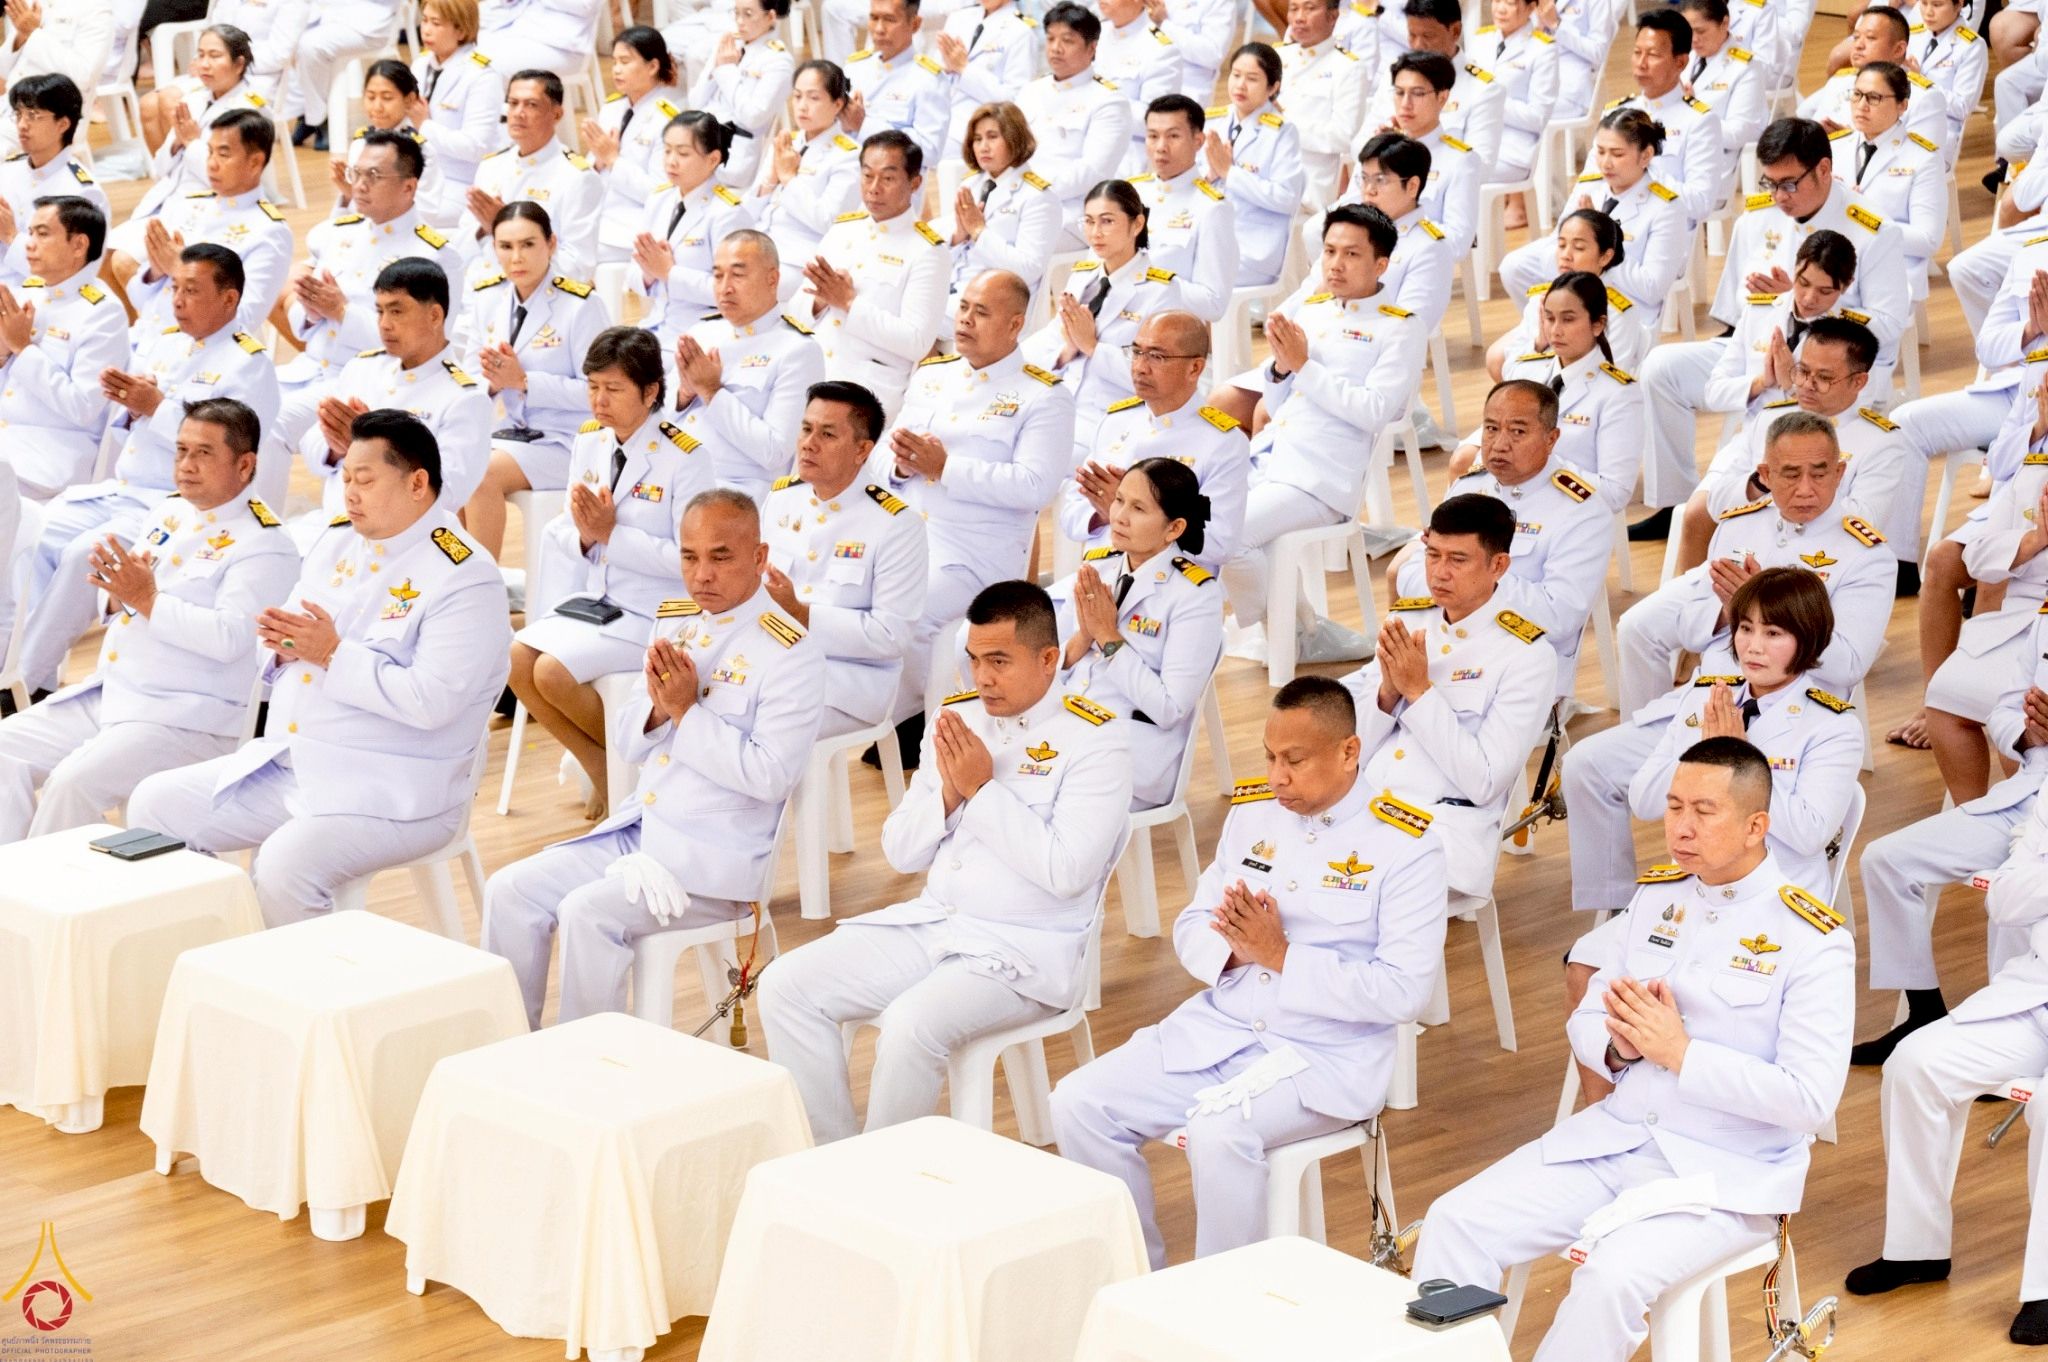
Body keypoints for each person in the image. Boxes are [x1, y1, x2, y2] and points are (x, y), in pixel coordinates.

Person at [1412, 737, 1854, 1362]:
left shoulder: (1811, 938)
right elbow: (1588, 1013)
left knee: (1609, 1278)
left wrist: (1681, 1054)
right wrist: (1617, 1049)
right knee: (1454, 1222)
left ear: (1757, 826)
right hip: (1615, 1140)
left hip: (1723, 1175)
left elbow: (1809, 1099)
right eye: (1674, 807)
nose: (1681, 827)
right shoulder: (1656, 897)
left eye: (1705, 811)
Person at [1051, 677, 1445, 1267]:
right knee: (1079, 1102)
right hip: (1223, 1028)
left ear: (1348, 752)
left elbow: (1404, 992)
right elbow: (1191, 925)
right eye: (1269, 756)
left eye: (1294, 759)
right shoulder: (1254, 814)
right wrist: (1239, 950)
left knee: (1218, 1134)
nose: (1278, 775)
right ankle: (1137, 1280)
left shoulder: (1407, 845)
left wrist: (1281, 955)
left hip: (1323, 1057)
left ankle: (1224, 1312)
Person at [757, 579, 1132, 1142]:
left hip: (1022, 951)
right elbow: (900, 851)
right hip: (935, 924)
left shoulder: (1097, 741)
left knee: (909, 1026)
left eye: (1000, 661)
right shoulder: (957, 721)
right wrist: (950, 797)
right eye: (976, 660)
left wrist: (981, 793)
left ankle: (880, 1183)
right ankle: (831, 1157)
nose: (982, 678)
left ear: (1049, 658)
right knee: (786, 984)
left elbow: (1066, 872)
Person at [127, 410, 510, 929]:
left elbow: (432, 700)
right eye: (346, 479)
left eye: (366, 480)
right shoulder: (336, 540)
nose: (349, 494)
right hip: (297, 762)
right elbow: (278, 645)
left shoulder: (465, 577)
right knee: (155, 806)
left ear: (418, 483)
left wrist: (331, 653)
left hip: (392, 787)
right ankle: (217, 948)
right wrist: (283, 645)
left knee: (285, 864)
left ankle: (306, 997)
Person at [484, 487, 822, 1025]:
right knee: (509, 891)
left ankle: (588, 1070)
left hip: (710, 861)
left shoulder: (790, 652)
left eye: (721, 556)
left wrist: (687, 713)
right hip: (642, 832)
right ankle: (510, 1045)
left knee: (585, 913)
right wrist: (661, 714)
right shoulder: (675, 621)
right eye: (689, 557)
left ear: (759, 557)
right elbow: (626, 739)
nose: (702, 574)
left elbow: (770, 776)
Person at [0, 400, 297, 842]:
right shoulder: (170, 512)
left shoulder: (267, 544)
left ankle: (60, 899)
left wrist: (145, 598)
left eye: (203, 453)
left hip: (184, 715)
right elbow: (122, 599)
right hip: (116, 692)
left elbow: (231, 638)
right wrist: (123, 594)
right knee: (4, 751)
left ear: (245, 463)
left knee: (71, 785)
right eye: (180, 451)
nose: (186, 465)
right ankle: (14, 887)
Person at [1562, 568, 1864, 964]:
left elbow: (1808, 834)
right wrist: (1702, 752)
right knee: (1583, 965)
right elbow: (1645, 801)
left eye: (1773, 634)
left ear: (1807, 639)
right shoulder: (1708, 695)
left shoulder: (1834, 726)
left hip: (1773, 898)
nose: (1753, 646)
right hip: (1692, 890)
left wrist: (1737, 756)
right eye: (1745, 628)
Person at [16, 244, 278, 698]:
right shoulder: (162, 341)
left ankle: (16, 684)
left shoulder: (249, 363)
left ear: (230, 299)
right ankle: (31, 677)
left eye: (192, 290)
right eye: (174, 287)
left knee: (86, 554)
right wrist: (133, 403)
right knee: (34, 537)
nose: (176, 300)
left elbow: (229, 447)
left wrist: (155, 406)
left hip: (178, 504)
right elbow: (119, 417)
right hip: (121, 489)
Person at [1637, 117, 1908, 536]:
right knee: (1662, 367)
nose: (1779, 196)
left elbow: (1889, 325)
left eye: (1789, 183)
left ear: (1823, 169)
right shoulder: (1755, 221)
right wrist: (1759, 366)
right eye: (1770, 183)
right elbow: (1732, 316)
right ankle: (1678, 500)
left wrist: (1811, 304)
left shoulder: (1874, 230)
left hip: (1832, 369)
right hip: (1763, 345)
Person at [1847, 791, 2048, 1347]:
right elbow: (2004, 902)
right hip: (2035, 994)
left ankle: (2046, 1288)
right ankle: (1917, 1249)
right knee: (1915, 1062)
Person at [512, 328, 713, 810]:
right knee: (515, 661)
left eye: (614, 389)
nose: (599, 401)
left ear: (650, 392)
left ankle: (623, 764)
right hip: (597, 603)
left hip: (656, 611)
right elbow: (564, 527)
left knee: (553, 673)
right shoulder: (591, 443)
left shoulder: (686, 456)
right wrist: (586, 534)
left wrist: (610, 535)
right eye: (593, 387)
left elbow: (689, 559)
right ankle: (602, 766)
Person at [878, 268, 1076, 742]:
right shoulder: (932, 375)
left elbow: (1034, 486)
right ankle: (890, 713)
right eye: (963, 307)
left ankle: (913, 724)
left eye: (981, 312)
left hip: (977, 551)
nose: (964, 320)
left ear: (1015, 324)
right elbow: (887, 456)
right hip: (909, 531)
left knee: (910, 607)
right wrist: (902, 467)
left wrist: (945, 468)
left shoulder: (1044, 396)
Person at [1337, 493, 1559, 898]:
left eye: (1457, 560)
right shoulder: (1408, 618)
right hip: (1361, 810)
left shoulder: (1527, 656)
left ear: (1498, 565)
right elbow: (1355, 751)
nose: (1438, 573)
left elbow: (1485, 782)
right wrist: (1387, 693)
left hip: (1439, 829)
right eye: (1432, 555)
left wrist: (1419, 693)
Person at [1219, 205, 1422, 647]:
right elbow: (1279, 401)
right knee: (1194, 515)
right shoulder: (1312, 309)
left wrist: (1303, 366)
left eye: (1351, 254)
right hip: (1273, 458)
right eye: (1329, 250)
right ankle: (1294, 623)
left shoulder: (1399, 328)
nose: (1335, 263)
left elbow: (1374, 411)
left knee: (1227, 537)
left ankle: (1283, 630)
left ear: (1381, 264)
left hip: (1322, 478)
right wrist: (1278, 370)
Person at [1853, 610, 2048, 1066]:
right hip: (2025, 796)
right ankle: (1923, 1012)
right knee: (1886, 859)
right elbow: (2002, 708)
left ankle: (2013, 1046)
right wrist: (2026, 731)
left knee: (2015, 900)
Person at [1616, 411, 1894, 719]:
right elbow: (1696, 630)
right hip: (1711, 695)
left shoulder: (1865, 555)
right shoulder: (1740, 523)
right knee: (1585, 761)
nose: (1805, 489)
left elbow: (1849, 665)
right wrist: (1727, 612)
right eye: (1790, 475)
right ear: (1766, 474)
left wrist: (1763, 605)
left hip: (1787, 710)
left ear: (1840, 473)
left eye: (1819, 474)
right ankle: (1647, 731)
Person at [1051, 459, 1224, 809]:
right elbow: (1053, 669)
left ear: (1174, 528)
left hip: (1132, 749)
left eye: (1138, 508)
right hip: (1068, 728)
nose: (1119, 516)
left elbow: (1170, 708)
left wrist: (1109, 638)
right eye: (1119, 501)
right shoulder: (1099, 566)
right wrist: (1084, 637)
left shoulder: (1195, 595)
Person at [1421, 380, 1614, 692]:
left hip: (1516, 668)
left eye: (1518, 432)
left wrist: (1478, 573)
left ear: (1551, 439)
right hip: (1446, 647)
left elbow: (1559, 618)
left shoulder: (1583, 512)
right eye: (1491, 428)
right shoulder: (1468, 486)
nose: (1499, 445)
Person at [761, 381, 929, 738]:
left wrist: (800, 612)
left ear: (862, 450)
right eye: (806, 429)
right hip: (776, 661)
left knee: (765, 720)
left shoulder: (896, 524)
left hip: (850, 682)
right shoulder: (781, 500)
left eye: (827, 434)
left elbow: (891, 636)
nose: (809, 443)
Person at [286, 258, 494, 533]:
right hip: (333, 529)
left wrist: (371, 449)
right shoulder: (363, 367)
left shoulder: (465, 398)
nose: (384, 324)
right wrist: (336, 449)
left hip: (405, 542)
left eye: (397, 311)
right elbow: (313, 449)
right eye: (380, 311)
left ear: (435, 315)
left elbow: (447, 493)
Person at [459, 202, 614, 560]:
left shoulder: (581, 305)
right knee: (448, 465)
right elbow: (468, 379)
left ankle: (481, 590)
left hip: (570, 441)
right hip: (513, 434)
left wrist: (525, 381)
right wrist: (494, 383)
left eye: (528, 245)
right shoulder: (487, 298)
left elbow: (602, 392)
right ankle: (454, 584)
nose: (517, 257)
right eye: (506, 246)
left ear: (552, 244)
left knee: (479, 475)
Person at [1059, 310, 1247, 570]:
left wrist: (1126, 508)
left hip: (1167, 586)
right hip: (1099, 574)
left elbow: (1218, 544)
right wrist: (1104, 513)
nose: (1140, 368)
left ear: (1195, 368)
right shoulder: (1116, 421)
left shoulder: (1221, 442)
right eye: (1136, 353)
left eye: (1157, 357)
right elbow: (1070, 513)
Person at [1022, 179, 1186, 454]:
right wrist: (1065, 352)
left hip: (1110, 417)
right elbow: (1049, 339)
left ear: (1137, 224)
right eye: (1088, 221)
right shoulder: (1084, 276)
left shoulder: (1161, 291)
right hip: (1059, 400)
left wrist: (1092, 348)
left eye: (1107, 221)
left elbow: (1159, 376)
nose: (1095, 233)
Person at [281, 131, 453, 391]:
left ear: (409, 187)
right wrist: (312, 313)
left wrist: (342, 312)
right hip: (308, 370)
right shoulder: (340, 233)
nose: (359, 185)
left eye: (373, 176)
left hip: (371, 383)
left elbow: (425, 348)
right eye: (356, 174)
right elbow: (299, 326)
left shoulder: (433, 255)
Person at [106, 110, 292, 342]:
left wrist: (181, 271)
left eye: (223, 155)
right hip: (150, 340)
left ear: (255, 162)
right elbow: (140, 299)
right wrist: (155, 271)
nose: (211, 164)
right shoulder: (189, 205)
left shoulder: (268, 231)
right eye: (209, 152)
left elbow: (244, 321)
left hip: (203, 355)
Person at [669, 230, 826, 500]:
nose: (725, 287)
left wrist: (712, 392)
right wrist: (684, 395)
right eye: (718, 276)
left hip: (736, 496)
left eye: (738, 275)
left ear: (772, 279)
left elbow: (775, 452)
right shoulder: (701, 333)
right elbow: (656, 421)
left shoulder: (798, 350)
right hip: (675, 481)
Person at [1498, 108, 1688, 331]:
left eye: (1617, 154)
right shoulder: (1592, 185)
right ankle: (1548, 329)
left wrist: (1600, 246)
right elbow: (1558, 239)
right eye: (1600, 152)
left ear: (1645, 155)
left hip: (1622, 308)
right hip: (1575, 292)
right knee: (1514, 267)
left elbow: (1652, 287)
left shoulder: (1666, 207)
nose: (1606, 163)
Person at [804, 130, 949, 418]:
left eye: (888, 178)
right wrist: (821, 301)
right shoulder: (843, 229)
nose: (874, 188)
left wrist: (848, 303)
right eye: (867, 176)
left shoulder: (928, 251)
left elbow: (917, 342)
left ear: (915, 183)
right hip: (814, 369)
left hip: (868, 391)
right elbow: (797, 310)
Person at [0, 198, 129, 502]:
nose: (29, 244)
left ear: (78, 244)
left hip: (53, 454)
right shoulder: (28, 292)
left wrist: (22, 348)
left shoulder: (103, 312)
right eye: (29, 233)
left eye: (42, 234)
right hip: (9, 440)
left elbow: (82, 407)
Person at [1485, 271, 1646, 515]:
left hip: (1567, 513)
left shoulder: (1618, 394)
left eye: (1568, 319)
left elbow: (1615, 493)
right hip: (1504, 505)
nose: (1556, 331)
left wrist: (1537, 466)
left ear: (1598, 324)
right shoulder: (1527, 370)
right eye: (1549, 318)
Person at [459, 70, 603, 282]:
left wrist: (505, 228)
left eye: (531, 105)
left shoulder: (576, 177)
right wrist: (483, 229)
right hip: (477, 290)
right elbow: (460, 249)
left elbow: (578, 269)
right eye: (513, 103)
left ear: (557, 114)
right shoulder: (491, 166)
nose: (518, 113)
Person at [1015, 4, 1140, 244]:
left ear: (1092, 48)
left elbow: (1092, 172)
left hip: (1073, 212)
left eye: (1067, 41)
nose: (1055, 48)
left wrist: (1034, 191)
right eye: (1050, 39)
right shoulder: (1031, 91)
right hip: (1020, 199)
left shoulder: (1109, 101)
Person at [1828, 62, 1945, 304]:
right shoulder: (1836, 146)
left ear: (1902, 105)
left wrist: (1863, 219)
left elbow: (1928, 241)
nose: (1861, 106)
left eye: (1874, 98)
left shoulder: (1923, 158)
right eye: (1857, 95)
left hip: (1890, 268)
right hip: (1830, 261)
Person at [1488, 209, 1651, 379]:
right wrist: (1539, 344)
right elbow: (1511, 369)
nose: (1565, 255)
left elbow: (1608, 382)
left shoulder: (1617, 313)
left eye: (1579, 247)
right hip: (1540, 395)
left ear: (1605, 257)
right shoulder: (1541, 299)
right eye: (1561, 245)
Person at [633, 111, 750, 346]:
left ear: (713, 159)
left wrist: (668, 272)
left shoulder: (728, 214)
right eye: (667, 150)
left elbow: (734, 290)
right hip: (656, 324)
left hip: (704, 332)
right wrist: (648, 273)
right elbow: (633, 272)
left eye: (683, 153)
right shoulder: (659, 199)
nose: (671, 161)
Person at [1129, 96, 1239, 323]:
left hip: (1161, 331)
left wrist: (1146, 276)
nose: (1161, 147)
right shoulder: (1130, 193)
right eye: (1152, 136)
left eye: (1173, 136)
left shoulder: (1212, 208)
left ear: (1198, 141)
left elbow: (1213, 302)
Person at [943, 102, 1063, 308]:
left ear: (1014, 138)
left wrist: (979, 231)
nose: (983, 147)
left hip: (994, 302)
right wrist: (957, 238)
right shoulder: (970, 184)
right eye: (977, 139)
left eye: (992, 137)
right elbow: (952, 256)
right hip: (953, 288)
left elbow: (1027, 270)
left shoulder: (1038, 197)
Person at [1203, 43, 1303, 290]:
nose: (1240, 85)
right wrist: (1210, 175)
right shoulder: (1213, 120)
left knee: (1186, 273)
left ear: (1273, 87)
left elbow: (1287, 197)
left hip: (1253, 244)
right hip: (1210, 233)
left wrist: (1229, 173)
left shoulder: (1283, 132)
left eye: (1252, 79)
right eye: (1235, 75)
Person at [750, 59, 863, 271]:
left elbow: (829, 222)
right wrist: (770, 181)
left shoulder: (849, 156)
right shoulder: (786, 142)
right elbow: (748, 211)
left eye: (813, 98)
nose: (802, 106)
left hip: (799, 260)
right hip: (758, 247)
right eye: (797, 96)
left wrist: (788, 179)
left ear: (837, 104)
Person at [585, 31, 684, 266]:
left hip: (634, 226)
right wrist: (598, 162)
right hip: (600, 214)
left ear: (652, 66)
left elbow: (660, 192)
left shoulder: (670, 120)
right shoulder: (612, 109)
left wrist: (612, 160)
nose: (617, 69)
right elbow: (588, 172)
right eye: (614, 62)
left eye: (625, 62)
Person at [407, 0, 507, 230]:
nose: (426, 29)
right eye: (424, 20)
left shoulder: (482, 75)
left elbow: (475, 147)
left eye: (436, 23)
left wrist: (425, 126)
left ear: (460, 30)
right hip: (419, 174)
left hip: (461, 182)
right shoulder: (421, 64)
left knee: (403, 214)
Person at [0, 76, 109, 288]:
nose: (22, 125)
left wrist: (11, 236)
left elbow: (69, 273)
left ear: (63, 124)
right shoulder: (7, 170)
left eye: (33, 115)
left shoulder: (82, 192)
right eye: (19, 114)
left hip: (36, 297)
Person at [1799, 7, 1951, 154]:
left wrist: (1852, 140)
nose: (1858, 45)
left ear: (1898, 49)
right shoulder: (1839, 82)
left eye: (1870, 38)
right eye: (1856, 37)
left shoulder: (1923, 97)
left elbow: (1924, 161)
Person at [688, 0, 795, 190]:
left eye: (748, 14)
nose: (739, 21)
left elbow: (753, 116)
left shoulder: (778, 61)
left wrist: (727, 70)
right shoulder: (730, 44)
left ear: (770, 16)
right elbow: (696, 102)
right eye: (736, 13)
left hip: (734, 152)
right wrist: (717, 67)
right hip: (701, 136)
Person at [930, 0, 1041, 180]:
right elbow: (935, 73)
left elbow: (1014, 101)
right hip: (939, 119)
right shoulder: (959, 18)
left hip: (976, 132)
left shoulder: (1021, 31)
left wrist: (965, 69)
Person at [1274, 0, 1367, 206]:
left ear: (1333, 17)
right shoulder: (1277, 56)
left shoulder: (1348, 68)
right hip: (1264, 171)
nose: (1299, 17)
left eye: (1310, 8)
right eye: (1294, 9)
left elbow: (1344, 136)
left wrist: (1284, 124)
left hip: (1308, 184)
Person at [843, 0, 949, 172]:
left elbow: (930, 152)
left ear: (914, 24)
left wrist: (865, 125)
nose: (879, 29)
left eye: (889, 19)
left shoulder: (928, 80)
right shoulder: (854, 68)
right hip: (846, 177)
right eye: (873, 18)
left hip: (895, 189)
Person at [0, 0, 114, 159]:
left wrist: (33, 34)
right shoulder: (33, 3)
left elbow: (83, 76)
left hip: (50, 116)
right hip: (9, 107)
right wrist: (21, 36)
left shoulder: (95, 9)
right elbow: (3, 70)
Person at [1477, 0, 1559, 208]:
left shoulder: (1542, 50)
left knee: (1456, 171)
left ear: (1531, 7)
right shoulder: (1482, 39)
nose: (1500, 9)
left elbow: (1538, 117)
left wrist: (1493, 102)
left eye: (1510, 3)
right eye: (1496, 1)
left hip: (1513, 149)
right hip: (1477, 139)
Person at [291, 0, 402, 150]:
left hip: (366, 20)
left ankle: (319, 118)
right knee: (286, 38)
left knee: (309, 47)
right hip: (323, 13)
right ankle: (309, 111)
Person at [476, 0, 601, 82]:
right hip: (515, 28)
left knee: (484, 71)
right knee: (466, 58)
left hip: (561, 45)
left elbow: (585, 5)